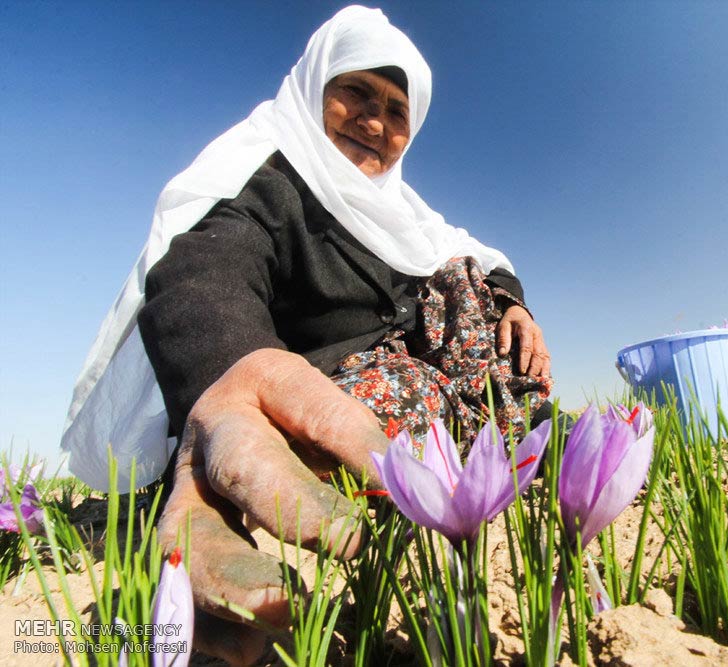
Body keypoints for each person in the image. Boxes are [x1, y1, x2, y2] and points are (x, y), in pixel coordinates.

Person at [61, 6, 553, 663]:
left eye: (396, 109)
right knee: (394, 389)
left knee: (467, 288)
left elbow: (473, 255)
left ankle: (470, 463)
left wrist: (510, 304)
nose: (375, 121)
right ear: (314, 85)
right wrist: (231, 384)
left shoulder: (404, 212)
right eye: (354, 91)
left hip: (413, 414)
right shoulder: (267, 179)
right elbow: (203, 275)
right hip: (313, 413)